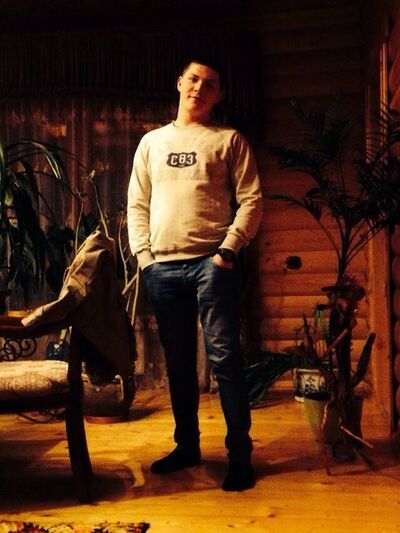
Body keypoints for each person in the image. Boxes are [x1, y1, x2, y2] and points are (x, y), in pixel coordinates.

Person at [127, 57, 263, 491]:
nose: (199, 88)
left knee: (225, 359)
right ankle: (187, 447)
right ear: (179, 83)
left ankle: (239, 456)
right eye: (193, 79)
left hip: (212, 265)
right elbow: (137, 204)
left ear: (218, 95)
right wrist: (145, 259)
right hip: (162, 269)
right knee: (179, 364)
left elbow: (252, 200)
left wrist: (228, 251)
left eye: (210, 84)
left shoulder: (228, 140)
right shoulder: (151, 143)